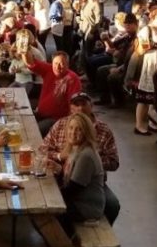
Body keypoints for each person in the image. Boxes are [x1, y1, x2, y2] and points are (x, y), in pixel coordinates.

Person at [41, 93, 121, 225]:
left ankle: (94, 237)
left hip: (86, 192)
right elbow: (42, 149)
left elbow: (73, 190)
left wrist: (93, 167)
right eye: (76, 105)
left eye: (84, 104)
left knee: (112, 205)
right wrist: (60, 161)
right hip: (70, 179)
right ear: (70, 107)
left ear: (91, 106)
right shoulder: (68, 136)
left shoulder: (89, 150)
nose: (80, 108)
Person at [57, 113, 106, 226]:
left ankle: (65, 242)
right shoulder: (75, 149)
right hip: (78, 202)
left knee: (48, 216)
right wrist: (59, 170)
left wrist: (51, 197)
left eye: (79, 129)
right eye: (71, 128)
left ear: (86, 132)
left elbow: (72, 190)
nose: (73, 133)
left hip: (86, 208)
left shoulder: (86, 155)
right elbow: (68, 180)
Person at [24, 51, 82, 136]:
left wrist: (69, 126)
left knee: (33, 132)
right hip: (41, 113)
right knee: (22, 123)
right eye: (55, 63)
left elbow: (75, 104)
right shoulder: (49, 69)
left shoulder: (72, 79)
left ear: (68, 65)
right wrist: (23, 50)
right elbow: (31, 63)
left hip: (56, 119)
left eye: (61, 64)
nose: (58, 67)